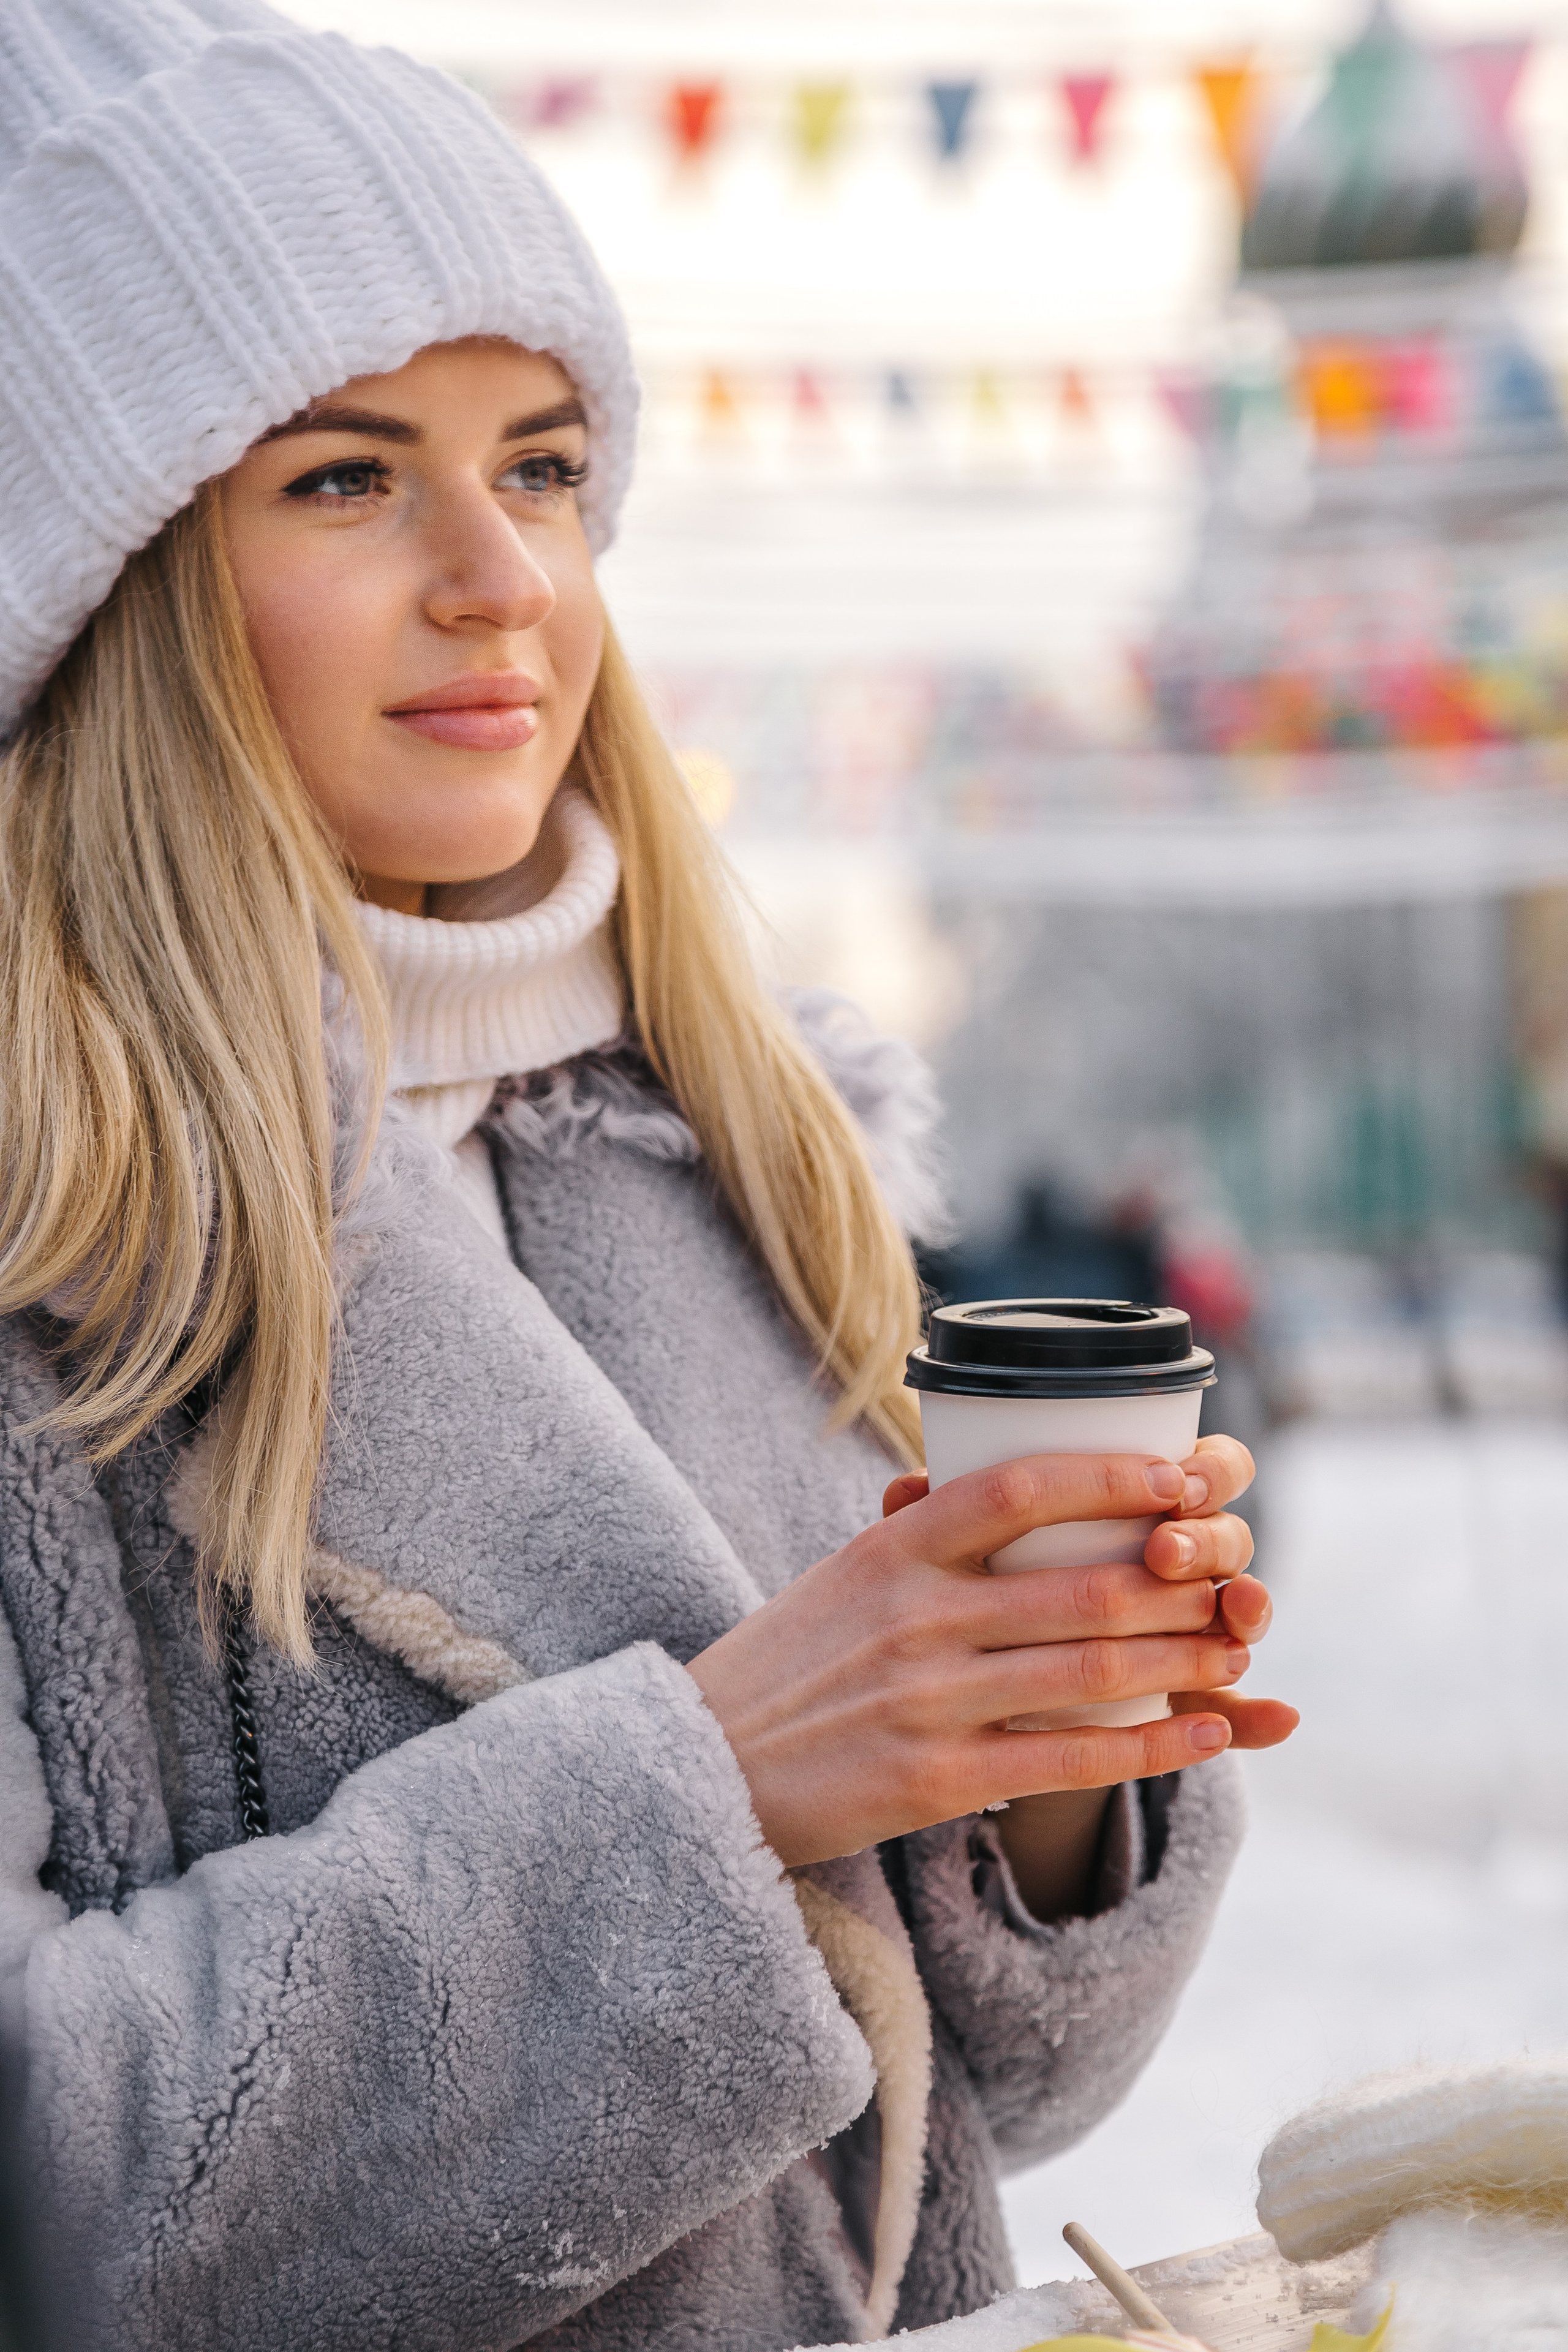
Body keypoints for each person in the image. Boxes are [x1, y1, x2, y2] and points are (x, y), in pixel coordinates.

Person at [0, 7, 1297, 2348]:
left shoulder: (752, 1148)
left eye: (549, 462)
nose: (506, 578)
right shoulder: (44, 1241)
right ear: (99, 579)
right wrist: (726, 1783)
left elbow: (1003, 2088)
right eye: (344, 479)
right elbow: (47, 2201)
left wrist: (1053, 1770)